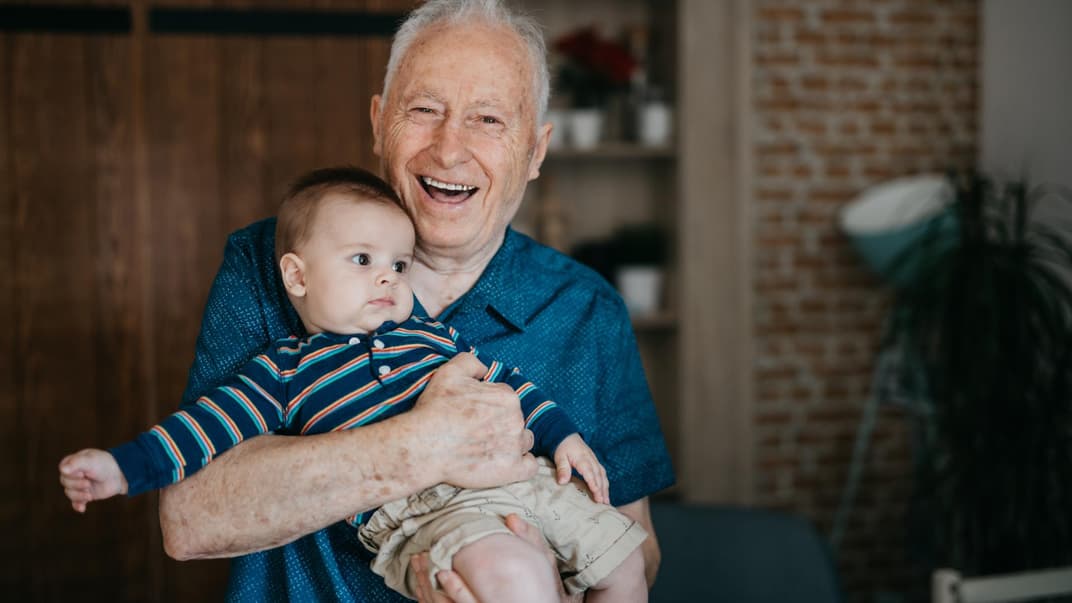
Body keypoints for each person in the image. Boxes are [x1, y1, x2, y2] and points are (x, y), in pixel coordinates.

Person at [149, 0, 673, 600]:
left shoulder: (586, 309)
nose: (450, 150)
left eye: (489, 119)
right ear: (378, 123)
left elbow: (638, 546)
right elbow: (190, 519)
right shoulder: (272, 263)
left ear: (535, 151)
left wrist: (528, 582)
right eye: (424, 109)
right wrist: (419, 446)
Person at [59, 167, 649, 602]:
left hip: (528, 484)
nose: (388, 280)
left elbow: (508, 381)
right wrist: (119, 469)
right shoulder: (282, 372)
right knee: (516, 579)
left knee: (623, 561)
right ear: (296, 274)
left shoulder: (429, 338)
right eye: (362, 261)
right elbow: (198, 434)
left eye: (398, 265)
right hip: (428, 514)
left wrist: (563, 436)